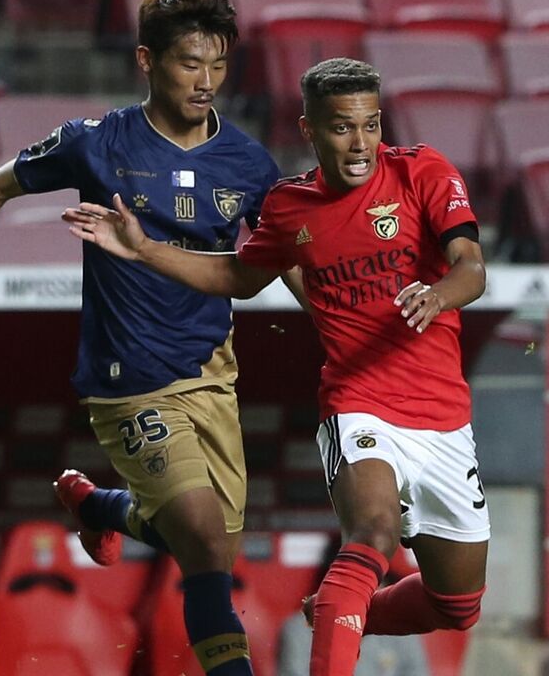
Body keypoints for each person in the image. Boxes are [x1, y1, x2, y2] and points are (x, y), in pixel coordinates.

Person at [0, 0, 279, 676]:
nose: (207, 79)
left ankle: (102, 508)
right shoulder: (98, 143)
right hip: (128, 382)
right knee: (208, 549)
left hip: (214, 373)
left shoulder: (250, 163)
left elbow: (287, 255)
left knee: (207, 540)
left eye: (218, 63)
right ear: (148, 60)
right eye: (191, 62)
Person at [63, 57, 490, 676]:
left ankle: (338, 612)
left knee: (457, 603)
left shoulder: (423, 172)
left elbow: (472, 267)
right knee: (370, 532)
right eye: (343, 128)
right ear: (309, 128)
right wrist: (146, 249)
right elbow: (238, 275)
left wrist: (439, 293)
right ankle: (337, 636)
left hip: (445, 420)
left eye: (371, 125)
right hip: (360, 405)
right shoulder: (292, 209)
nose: (361, 143)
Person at [278, 535, 431, 676]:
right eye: (355, 581)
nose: (369, 590)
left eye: (375, 580)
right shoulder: (299, 630)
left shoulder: (401, 628)